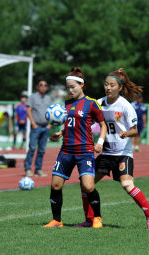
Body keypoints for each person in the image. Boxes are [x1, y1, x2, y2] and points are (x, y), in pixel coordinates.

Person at [75, 68, 149, 230]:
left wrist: (126, 132)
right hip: (106, 154)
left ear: (120, 87)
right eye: (106, 84)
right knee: (85, 184)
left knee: (127, 185)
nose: (108, 88)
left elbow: (136, 130)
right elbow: (86, 119)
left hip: (122, 154)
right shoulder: (98, 103)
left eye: (112, 85)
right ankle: (89, 219)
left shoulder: (125, 106)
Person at [43, 67, 107, 228]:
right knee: (55, 185)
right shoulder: (66, 104)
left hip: (84, 151)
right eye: (68, 87)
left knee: (88, 186)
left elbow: (103, 125)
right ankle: (57, 220)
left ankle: (97, 218)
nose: (70, 90)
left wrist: (100, 142)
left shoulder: (91, 104)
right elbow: (71, 125)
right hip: (66, 150)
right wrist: (59, 133)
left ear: (82, 85)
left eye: (73, 87)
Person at [24, 80, 52, 177]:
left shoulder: (48, 98)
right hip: (36, 126)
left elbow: (52, 112)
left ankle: (38, 169)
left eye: (45, 85)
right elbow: (28, 110)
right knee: (32, 148)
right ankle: (28, 169)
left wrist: (50, 124)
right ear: (37, 87)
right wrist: (33, 123)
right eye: (41, 85)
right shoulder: (32, 97)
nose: (43, 87)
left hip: (46, 127)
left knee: (42, 150)